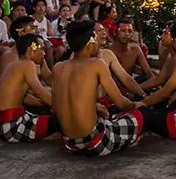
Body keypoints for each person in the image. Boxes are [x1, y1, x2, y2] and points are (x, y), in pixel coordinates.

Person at [52, 20, 145, 156]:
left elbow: (56, 106)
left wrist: (93, 106)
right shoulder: (97, 64)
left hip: (70, 143)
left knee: (112, 116)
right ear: (89, 43)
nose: (99, 39)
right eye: (95, 37)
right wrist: (137, 104)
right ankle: (129, 139)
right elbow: (122, 103)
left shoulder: (58, 67)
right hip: (96, 142)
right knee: (142, 114)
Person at [0, 34, 60, 143]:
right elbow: (40, 92)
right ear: (30, 50)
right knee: (62, 120)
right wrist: (62, 106)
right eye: (41, 49)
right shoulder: (28, 64)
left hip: (2, 126)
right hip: (12, 128)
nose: (44, 53)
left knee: (48, 112)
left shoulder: (16, 64)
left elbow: (25, 96)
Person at [92, 22, 147, 107]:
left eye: (104, 30)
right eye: (99, 30)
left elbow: (126, 78)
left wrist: (144, 96)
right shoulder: (78, 57)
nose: (104, 33)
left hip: (108, 100)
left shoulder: (107, 54)